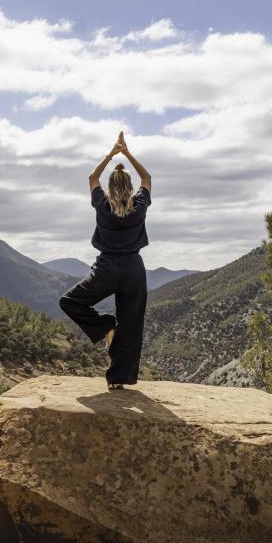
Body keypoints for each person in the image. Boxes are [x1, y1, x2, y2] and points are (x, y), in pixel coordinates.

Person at [59, 131, 152, 390]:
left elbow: (92, 177)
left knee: (69, 301)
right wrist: (128, 154)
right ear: (130, 187)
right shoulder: (140, 204)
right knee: (131, 324)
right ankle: (118, 379)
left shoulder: (102, 205)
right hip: (134, 269)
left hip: (106, 268)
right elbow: (147, 178)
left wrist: (111, 154)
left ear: (110, 188)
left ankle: (105, 325)